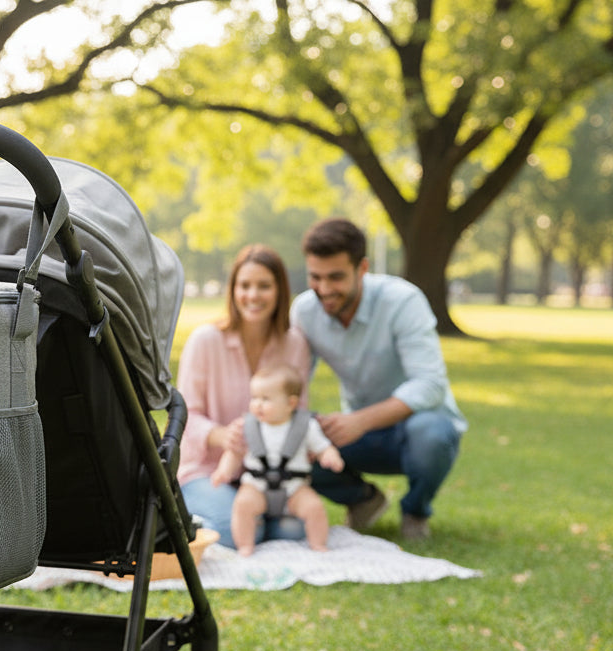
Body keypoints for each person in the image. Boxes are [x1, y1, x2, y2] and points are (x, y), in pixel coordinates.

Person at [291, 218, 467, 541]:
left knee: (433, 435)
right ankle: (364, 501)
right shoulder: (304, 310)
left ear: (362, 268)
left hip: (415, 428)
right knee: (292, 436)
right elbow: (291, 380)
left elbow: (430, 384)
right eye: (315, 277)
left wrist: (359, 420)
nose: (325, 289)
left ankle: (415, 511)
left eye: (336, 277)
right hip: (357, 438)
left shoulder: (403, 301)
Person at [176, 244, 312, 546]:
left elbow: (298, 411)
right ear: (233, 290)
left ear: (279, 290)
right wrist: (222, 436)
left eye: (264, 286)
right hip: (207, 470)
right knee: (232, 531)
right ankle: (184, 516)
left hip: (269, 477)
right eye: (245, 285)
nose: (253, 295)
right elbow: (184, 415)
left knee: (296, 530)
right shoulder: (205, 340)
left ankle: (255, 522)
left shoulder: (294, 344)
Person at [210, 364, 343, 556]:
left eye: (265, 399)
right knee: (243, 505)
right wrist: (224, 471)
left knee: (314, 507)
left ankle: (318, 544)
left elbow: (322, 447)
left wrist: (331, 456)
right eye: (254, 398)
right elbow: (235, 452)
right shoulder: (247, 426)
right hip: (256, 485)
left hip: (294, 487)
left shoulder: (306, 426)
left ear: (291, 403)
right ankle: (245, 546)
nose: (257, 404)